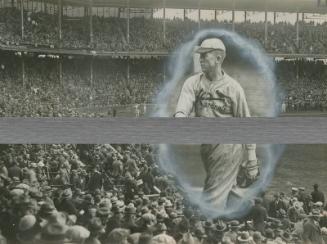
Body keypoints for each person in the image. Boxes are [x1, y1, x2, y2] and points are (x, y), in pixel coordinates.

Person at [174, 37, 258, 210]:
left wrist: (251, 157)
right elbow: (183, 106)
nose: (201, 59)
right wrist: (180, 117)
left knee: (213, 196)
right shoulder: (193, 82)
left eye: (205, 55)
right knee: (227, 189)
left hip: (229, 145)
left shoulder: (234, 88)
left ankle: (208, 227)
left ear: (219, 58)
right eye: (200, 55)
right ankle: (238, 214)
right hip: (208, 146)